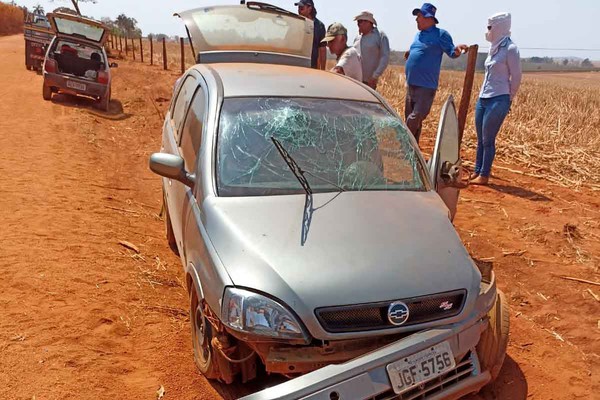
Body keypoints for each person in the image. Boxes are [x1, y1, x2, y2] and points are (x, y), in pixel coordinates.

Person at [404, 3, 467, 143]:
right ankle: (413, 154)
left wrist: (458, 49)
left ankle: (403, 141)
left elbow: (452, 52)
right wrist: (411, 53)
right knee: (413, 122)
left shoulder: (441, 35)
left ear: (428, 17)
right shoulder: (418, 35)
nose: (416, 20)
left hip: (426, 86)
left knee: (414, 118)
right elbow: (419, 49)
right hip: (411, 84)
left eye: (419, 16)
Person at [471, 12, 521, 185]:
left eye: (490, 27)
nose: (488, 30)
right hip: (483, 97)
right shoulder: (493, 48)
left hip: (499, 98)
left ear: (499, 27)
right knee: (480, 138)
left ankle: (484, 175)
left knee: (488, 138)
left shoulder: (510, 49)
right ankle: (477, 171)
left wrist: (509, 98)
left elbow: (516, 76)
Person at [353, 11, 390, 90]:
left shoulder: (380, 36)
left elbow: (385, 57)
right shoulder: (357, 38)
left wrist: (375, 76)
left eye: (360, 21)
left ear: (368, 22)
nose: (358, 24)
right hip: (355, 81)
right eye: (358, 22)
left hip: (369, 82)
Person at [295, 0, 327, 70]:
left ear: (310, 9)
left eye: (302, 8)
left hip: (312, 67)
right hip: (297, 65)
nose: (299, 11)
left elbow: (322, 49)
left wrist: (323, 70)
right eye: (298, 8)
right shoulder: (296, 23)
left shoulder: (319, 26)